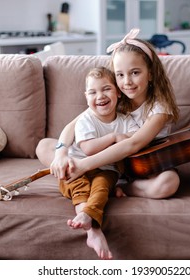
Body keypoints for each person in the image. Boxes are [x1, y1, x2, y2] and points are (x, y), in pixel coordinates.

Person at [36, 28, 180, 199]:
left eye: (135, 73)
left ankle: (122, 187)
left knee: (168, 182)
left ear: (150, 73)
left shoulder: (159, 109)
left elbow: (133, 144)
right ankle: (84, 174)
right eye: (120, 75)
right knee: (44, 145)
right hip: (104, 162)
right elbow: (72, 126)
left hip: (140, 166)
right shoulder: (115, 98)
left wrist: (84, 165)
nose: (127, 82)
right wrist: (61, 154)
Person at [57, 66, 138, 260]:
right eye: (93, 92)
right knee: (80, 189)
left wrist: (125, 136)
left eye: (106, 89)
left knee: (101, 188)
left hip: (106, 169)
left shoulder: (126, 119)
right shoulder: (85, 119)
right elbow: (88, 149)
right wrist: (114, 137)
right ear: (86, 97)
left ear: (118, 93)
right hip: (77, 167)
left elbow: (136, 138)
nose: (100, 96)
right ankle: (92, 230)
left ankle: (87, 217)